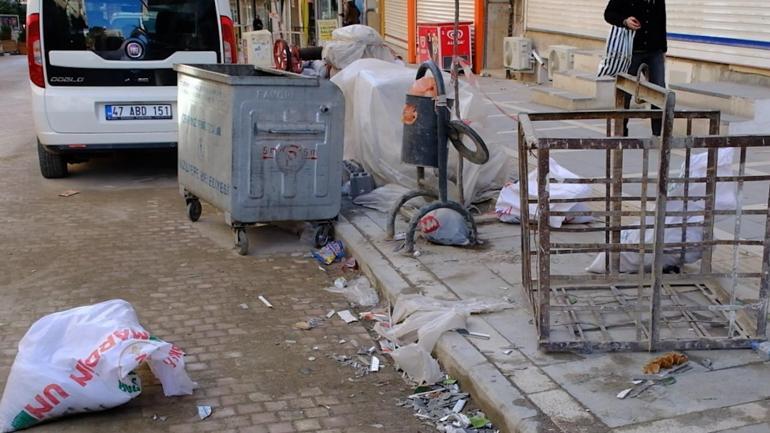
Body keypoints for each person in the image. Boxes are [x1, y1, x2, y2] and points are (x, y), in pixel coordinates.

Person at [604, 0, 667, 135]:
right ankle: (621, 131)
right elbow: (608, 14)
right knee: (625, 92)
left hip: (654, 51)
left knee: (659, 92)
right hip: (631, 51)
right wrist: (625, 21)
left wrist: (663, 50)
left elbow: (662, 20)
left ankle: (658, 134)